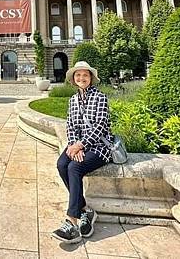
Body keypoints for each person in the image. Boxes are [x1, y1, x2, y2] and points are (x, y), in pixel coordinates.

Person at [52, 61, 112, 244]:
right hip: (77, 144)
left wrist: (81, 145)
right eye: (78, 75)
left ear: (91, 78)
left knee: (74, 168)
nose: (81, 78)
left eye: (85, 75)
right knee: (62, 164)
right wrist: (72, 145)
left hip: (100, 147)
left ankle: (72, 223)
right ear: (73, 79)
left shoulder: (100, 97)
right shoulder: (73, 100)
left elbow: (101, 126)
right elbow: (70, 125)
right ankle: (85, 209)